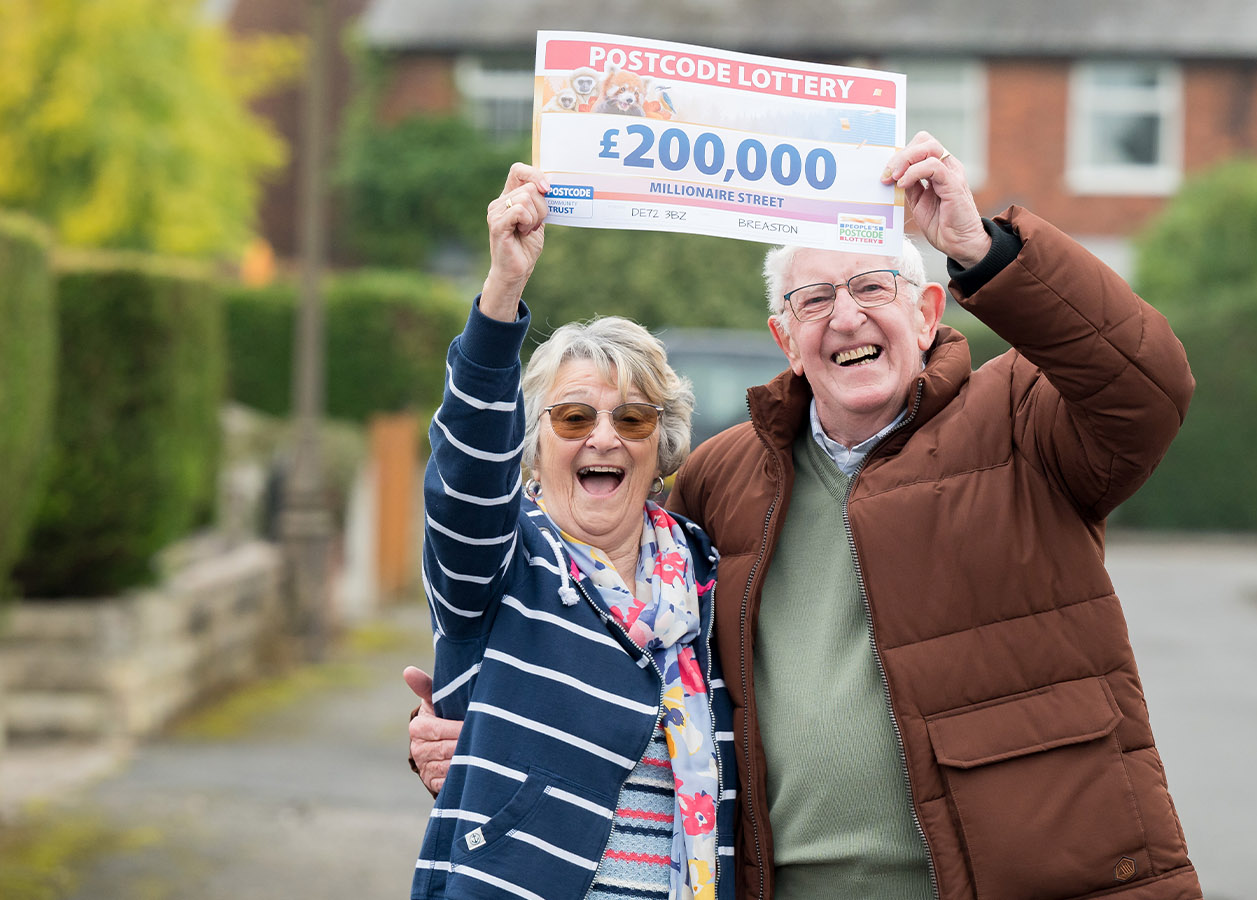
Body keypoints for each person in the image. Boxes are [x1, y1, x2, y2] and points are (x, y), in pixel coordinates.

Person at [410, 131, 1202, 900]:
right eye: (815, 298)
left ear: (927, 312)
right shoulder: (724, 485)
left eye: (870, 288)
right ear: (786, 339)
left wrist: (983, 247)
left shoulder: (1022, 419)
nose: (846, 317)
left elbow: (1146, 388)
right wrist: (477, 730)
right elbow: (601, 636)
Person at [406, 165, 736, 900]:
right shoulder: (500, 561)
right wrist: (502, 294)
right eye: (575, 417)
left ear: (662, 446)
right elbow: (463, 476)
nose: (604, 439)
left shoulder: (705, 576)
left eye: (632, 419)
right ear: (534, 441)